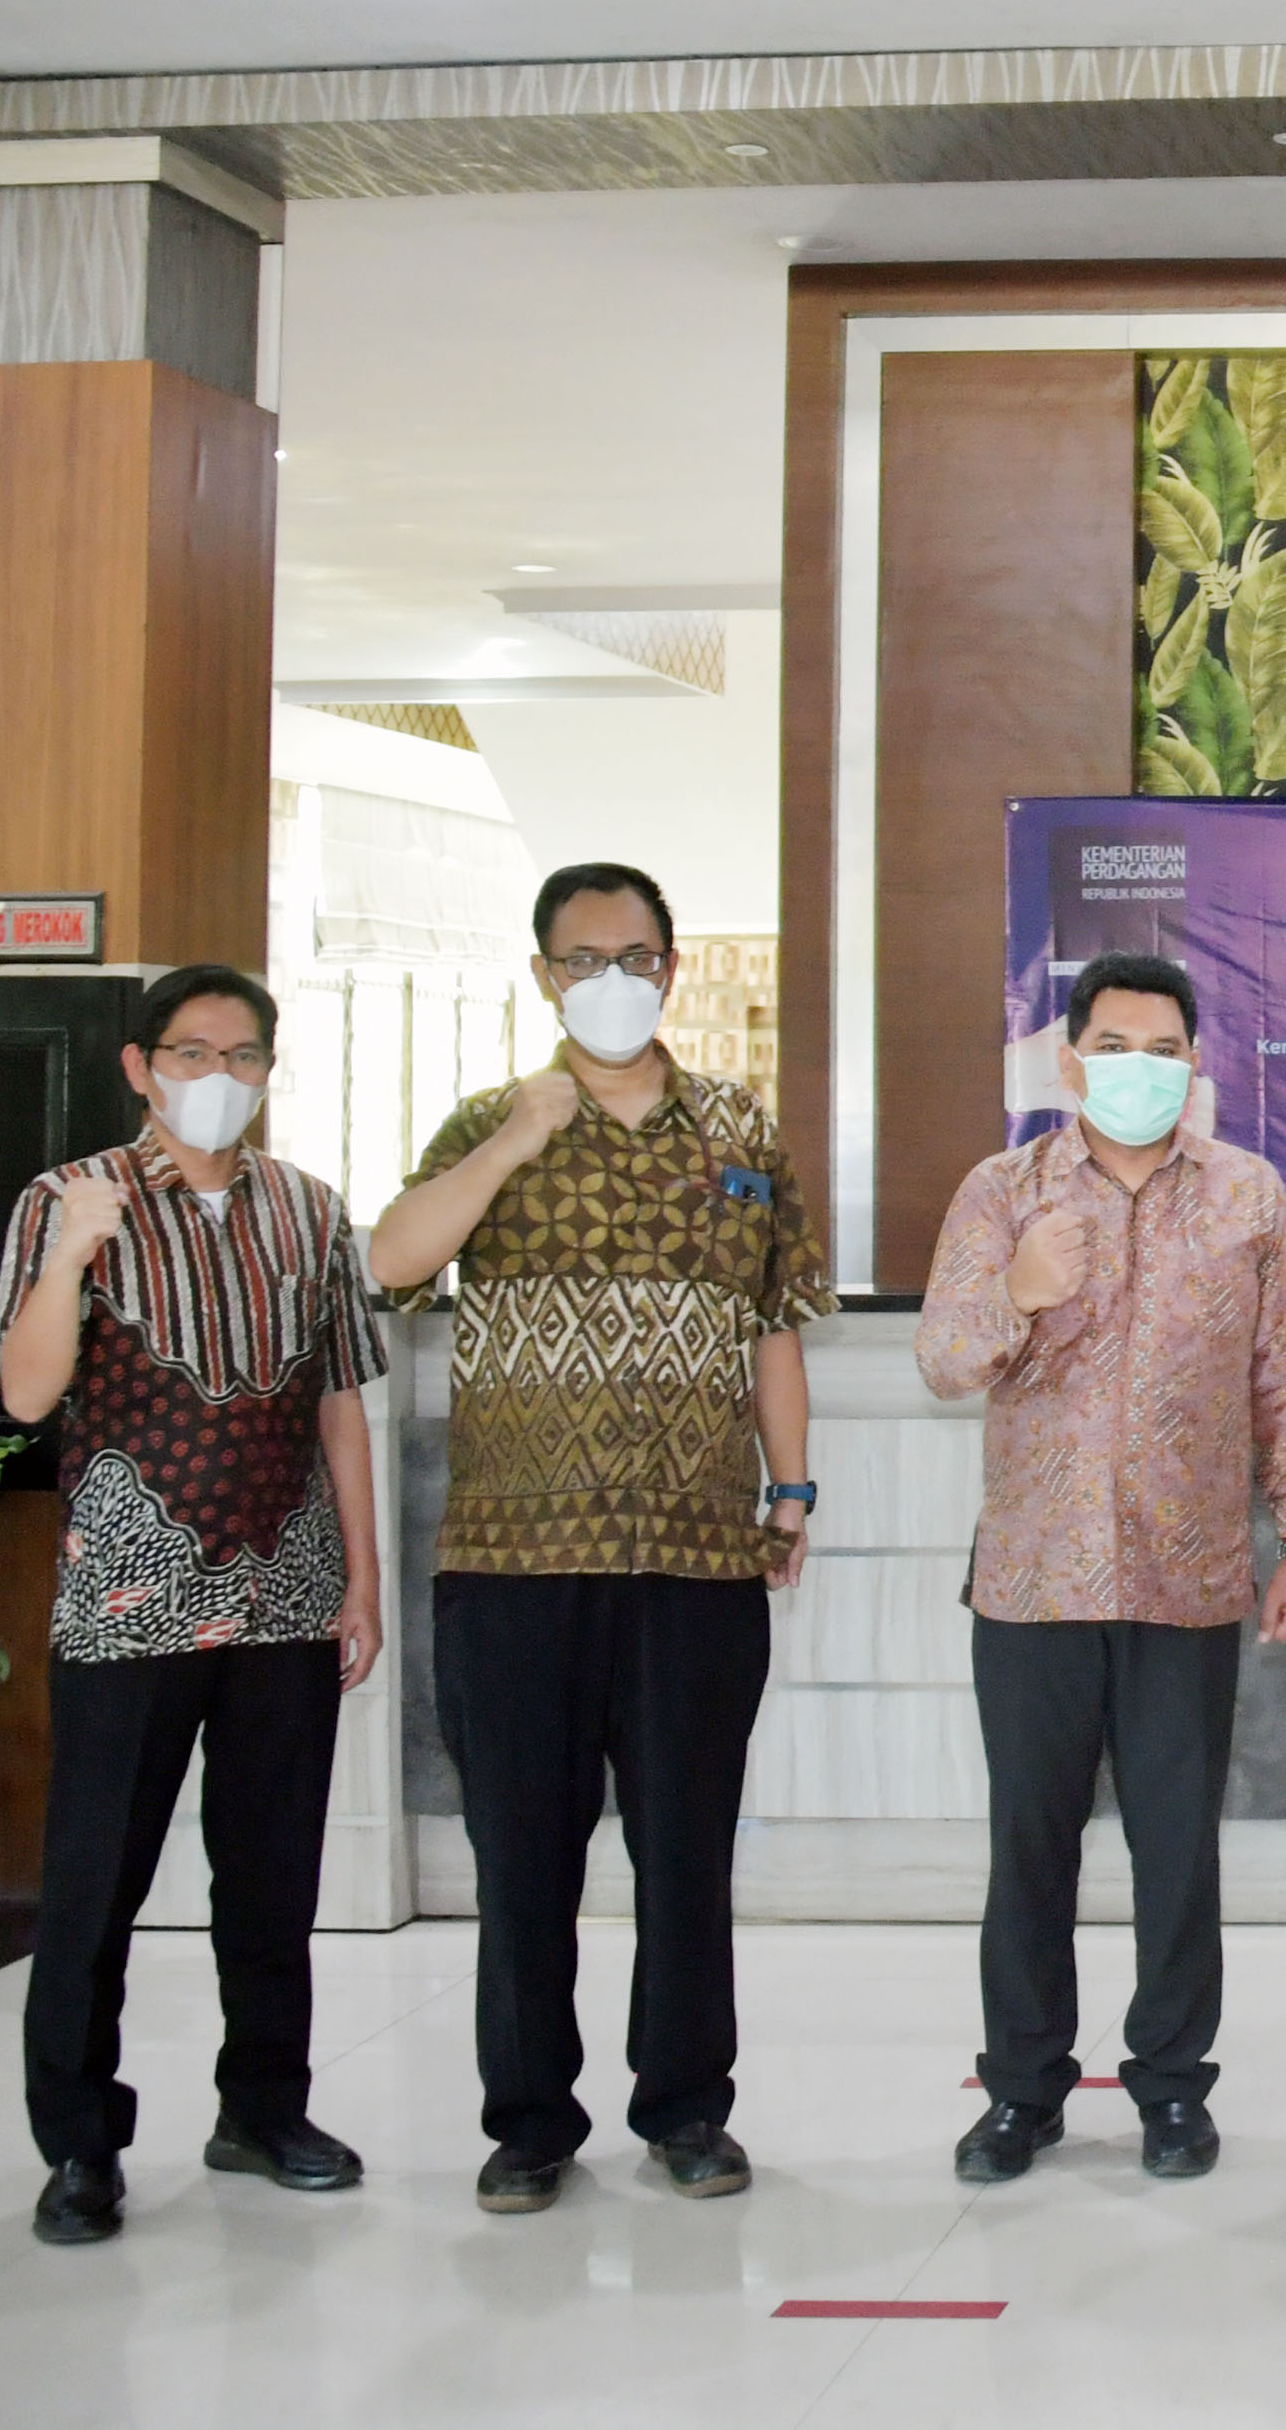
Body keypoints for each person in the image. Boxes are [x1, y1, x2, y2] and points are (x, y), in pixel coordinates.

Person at [366, 862, 830, 2215]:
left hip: (697, 1559)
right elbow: (392, 1260)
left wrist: (791, 1490)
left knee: (686, 1855)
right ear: (543, 976)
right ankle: (528, 2123)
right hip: (511, 1564)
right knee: (523, 1859)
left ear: (671, 970)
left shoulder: (741, 1130)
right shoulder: (487, 1119)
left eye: (634, 957)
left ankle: (686, 2110)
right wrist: (515, 1141)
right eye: (583, 960)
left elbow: (774, 1330)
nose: (611, 980)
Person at [914, 951, 1286, 2186]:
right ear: (1069, 1060)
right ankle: (1022, 2092)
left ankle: (1172, 2088)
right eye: (1113, 1047)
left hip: (1186, 1580)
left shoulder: (1247, 1196)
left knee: (1177, 1853)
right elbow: (943, 1359)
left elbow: (1284, 1383)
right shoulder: (1003, 1192)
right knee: (1029, 1851)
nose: (1138, 1069)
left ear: (1194, 1065)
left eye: (1162, 1051)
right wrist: (1020, 1291)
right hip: (1034, 1584)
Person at [0, 966, 386, 2246]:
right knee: (95, 1882)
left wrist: (362, 1577)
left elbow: (340, 1402)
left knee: (270, 1879)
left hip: (288, 1595)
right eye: (194, 1052)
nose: (221, 1076)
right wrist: (72, 1253)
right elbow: (26, 1394)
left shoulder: (311, 1211)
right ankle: (80, 2145)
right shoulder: (67, 1198)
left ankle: (264, 2111)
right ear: (141, 1066)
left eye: (245, 1054)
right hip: (128, 1601)